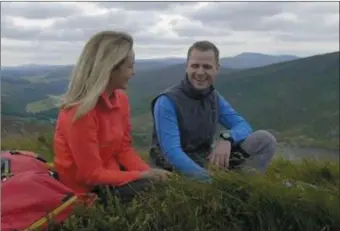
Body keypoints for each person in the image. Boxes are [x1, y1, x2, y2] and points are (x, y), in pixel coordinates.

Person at [53, 30, 170, 204]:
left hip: (111, 176)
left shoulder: (120, 100)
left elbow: (124, 148)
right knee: (154, 192)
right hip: (85, 191)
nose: (133, 73)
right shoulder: (80, 113)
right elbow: (90, 175)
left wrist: (150, 173)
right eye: (129, 67)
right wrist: (142, 176)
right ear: (110, 68)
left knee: (160, 183)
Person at [149, 40, 277, 181]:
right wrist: (210, 181)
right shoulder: (167, 101)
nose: (200, 72)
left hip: (205, 160)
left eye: (207, 67)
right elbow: (172, 153)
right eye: (195, 66)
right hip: (173, 168)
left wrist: (227, 138)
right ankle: (232, 189)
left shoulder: (213, 97)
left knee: (265, 139)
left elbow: (243, 126)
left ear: (217, 68)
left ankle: (247, 187)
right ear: (187, 67)